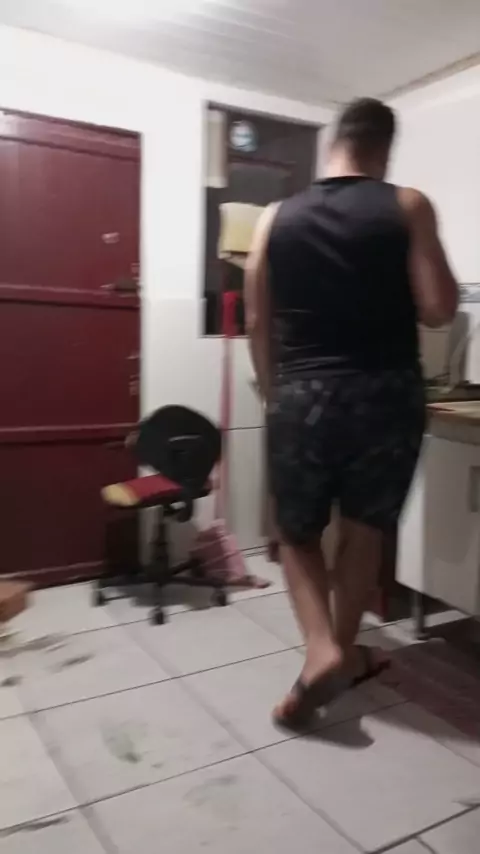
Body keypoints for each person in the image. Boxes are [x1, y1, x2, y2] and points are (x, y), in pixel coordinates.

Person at [244, 97, 458, 728]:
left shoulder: (275, 217)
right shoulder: (407, 205)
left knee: (297, 532)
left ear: (334, 143)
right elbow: (440, 309)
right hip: (387, 394)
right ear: (384, 149)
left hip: (302, 391)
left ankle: (323, 651)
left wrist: (274, 391)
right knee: (365, 529)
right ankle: (339, 651)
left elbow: (256, 318)